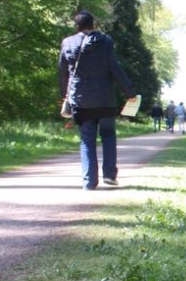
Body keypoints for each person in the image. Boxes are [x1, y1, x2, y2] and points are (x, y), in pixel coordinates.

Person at [58, 10, 135, 190]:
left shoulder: (67, 42)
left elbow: (62, 71)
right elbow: (114, 67)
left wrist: (64, 94)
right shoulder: (105, 41)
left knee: (87, 139)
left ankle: (89, 182)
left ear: (77, 26)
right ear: (93, 24)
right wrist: (129, 90)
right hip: (105, 98)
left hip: (80, 99)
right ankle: (109, 175)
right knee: (108, 135)